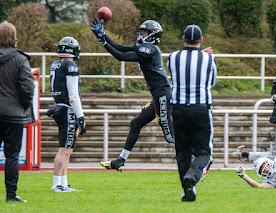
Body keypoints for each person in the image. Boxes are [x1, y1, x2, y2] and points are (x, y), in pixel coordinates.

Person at [91, 19, 175, 171]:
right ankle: (120, 160)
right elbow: (121, 49)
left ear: (152, 35)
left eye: (144, 32)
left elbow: (120, 56)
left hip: (163, 95)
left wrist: (103, 42)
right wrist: (103, 36)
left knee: (170, 135)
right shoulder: (145, 47)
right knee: (135, 124)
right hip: (157, 96)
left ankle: (199, 154)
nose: (141, 34)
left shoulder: (151, 49)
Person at [167, 24, 217, 202]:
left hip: (178, 109)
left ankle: (187, 189)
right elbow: (211, 82)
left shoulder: (173, 57)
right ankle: (193, 178)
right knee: (204, 152)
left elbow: (176, 73)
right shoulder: (208, 59)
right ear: (201, 40)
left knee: (182, 152)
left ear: (183, 39)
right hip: (200, 108)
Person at [0, 21, 34, 202]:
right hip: (13, 115)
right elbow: (28, 88)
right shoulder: (20, 59)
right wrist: (24, 106)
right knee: (12, 156)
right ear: (14, 37)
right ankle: (11, 195)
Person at [48, 36, 86, 192]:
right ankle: (57, 184)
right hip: (68, 109)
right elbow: (73, 95)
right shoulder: (70, 65)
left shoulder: (55, 64)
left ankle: (63, 183)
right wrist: (81, 116)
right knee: (64, 149)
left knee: (67, 149)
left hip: (59, 106)